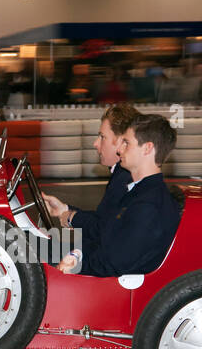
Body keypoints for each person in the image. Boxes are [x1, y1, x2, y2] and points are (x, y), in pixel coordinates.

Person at [55, 113, 180, 277]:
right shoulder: (138, 192)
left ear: (147, 148)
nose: (119, 150)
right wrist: (76, 254)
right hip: (100, 267)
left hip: (113, 287)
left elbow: (113, 263)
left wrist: (74, 264)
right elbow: (106, 235)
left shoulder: (148, 205)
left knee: (31, 259)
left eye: (126, 143)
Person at [42, 102, 140, 244]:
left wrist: (71, 217)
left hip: (107, 257)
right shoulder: (122, 173)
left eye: (102, 137)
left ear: (121, 142)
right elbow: (105, 218)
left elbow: (102, 230)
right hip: (109, 251)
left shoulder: (125, 178)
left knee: (33, 252)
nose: (95, 143)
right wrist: (64, 210)